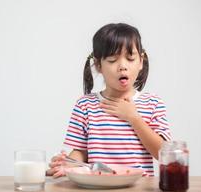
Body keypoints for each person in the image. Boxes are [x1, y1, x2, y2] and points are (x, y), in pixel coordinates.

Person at [46, 23, 171, 177]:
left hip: (139, 191)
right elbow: (81, 151)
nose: (122, 66)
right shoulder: (85, 105)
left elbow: (164, 155)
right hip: (98, 188)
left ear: (141, 61)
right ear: (99, 65)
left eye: (130, 58)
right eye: (112, 60)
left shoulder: (153, 104)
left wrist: (134, 118)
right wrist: (67, 165)